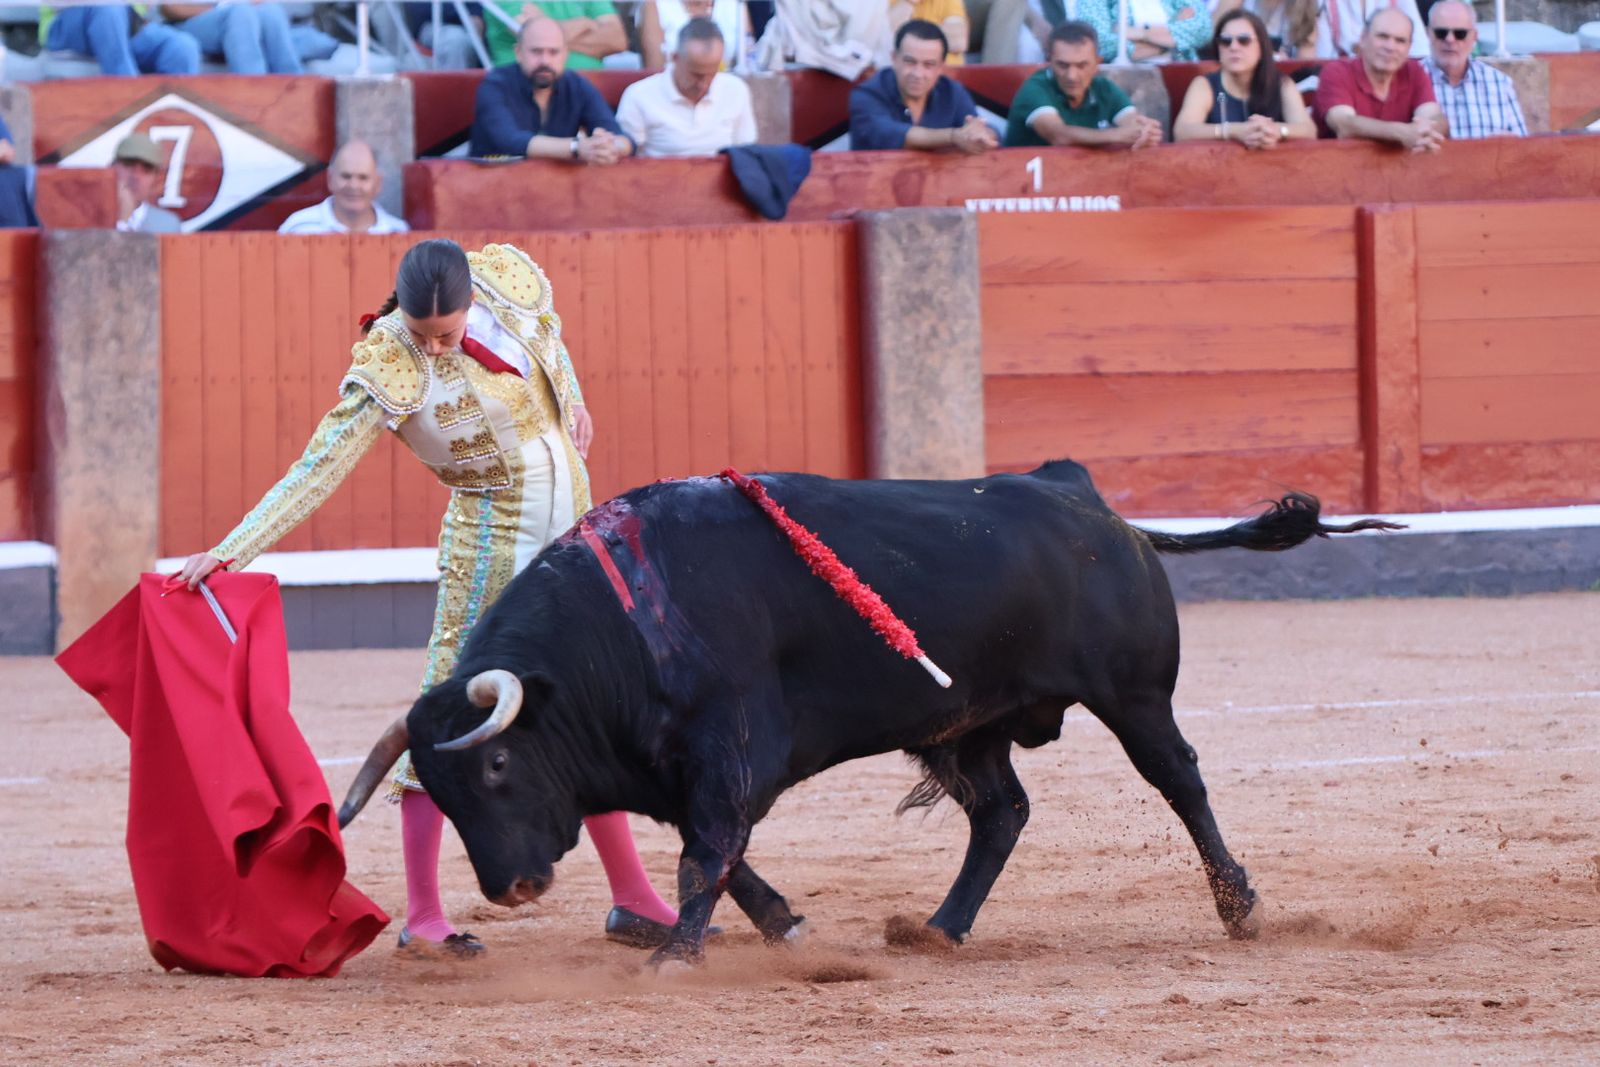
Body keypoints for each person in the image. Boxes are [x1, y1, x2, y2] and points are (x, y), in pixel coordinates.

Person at [175, 239, 682, 959]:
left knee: (586, 712)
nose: (438, 348)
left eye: (447, 332)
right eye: (424, 335)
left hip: (571, 537)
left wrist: (573, 401)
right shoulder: (391, 357)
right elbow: (319, 466)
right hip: (490, 547)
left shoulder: (506, 285)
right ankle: (423, 912)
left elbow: (549, 336)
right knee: (444, 714)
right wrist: (234, 548)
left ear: (473, 296)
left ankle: (633, 896)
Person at [470, 16, 634, 162]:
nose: (545, 61)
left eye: (553, 52)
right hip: (492, 184)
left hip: (557, 188)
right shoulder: (495, 84)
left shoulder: (577, 85)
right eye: (536, 51)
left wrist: (611, 147)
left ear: (565, 54)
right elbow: (509, 140)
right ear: (518, 52)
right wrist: (576, 147)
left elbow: (622, 138)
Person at [1002, 21, 1163, 149]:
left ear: (1097, 64)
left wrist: (1144, 132)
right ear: (1049, 60)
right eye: (1063, 65)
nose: (1072, 76)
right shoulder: (1034, 88)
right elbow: (1058, 135)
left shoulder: (1104, 88)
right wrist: (1116, 135)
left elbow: (1132, 122)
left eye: (1081, 66)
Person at [617, 18, 757, 158]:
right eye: (696, 75)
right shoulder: (638, 95)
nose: (703, 84)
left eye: (712, 73)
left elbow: (745, 152)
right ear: (675, 58)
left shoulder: (736, 90)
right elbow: (626, 156)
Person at [849, 19, 997, 153]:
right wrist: (954, 136)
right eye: (910, 61)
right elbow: (894, 136)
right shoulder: (866, 94)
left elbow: (983, 132)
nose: (918, 74)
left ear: (941, 67)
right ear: (894, 58)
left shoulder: (952, 91)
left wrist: (982, 135)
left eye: (929, 65)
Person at [1172, 11, 1316, 147]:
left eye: (1244, 40)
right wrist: (1233, 131)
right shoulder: (1205, 85)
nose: (1234, 47)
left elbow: (1309, 131)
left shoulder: (1282, 84)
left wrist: (1276, 130)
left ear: (1261, 46)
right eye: (1225, 41)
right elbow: (1182, 131)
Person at [1313, 8, 1444, 149]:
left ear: (1409, 48)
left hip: (1402, 169)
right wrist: (1400, 133)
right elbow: (1344, 124)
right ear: (1363, 39)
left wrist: (1426, 131)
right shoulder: (1337, 72)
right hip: (1337, 167)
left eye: (1400, 41)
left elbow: (1433, 116)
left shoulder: (1414, 71)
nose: (1390, 47)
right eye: (1382, 37)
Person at [1420, 0, 1527, 139]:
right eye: (1441, 33)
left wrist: (1507, 144)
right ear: (1428, 33)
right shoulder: (1409, 80)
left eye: (1460, 34)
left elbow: (1524, 148)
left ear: (1474, 37)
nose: (1450, 39)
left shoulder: (1499, 83)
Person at [278, 142, 411, 235]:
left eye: (363, 178)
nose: (354, 186)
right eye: (346, 176)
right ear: (330, 179)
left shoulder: (399, 232)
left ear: (378, 183)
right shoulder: (297, 227)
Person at [39, 4, 201, 76]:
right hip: (65, 24)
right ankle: (132, 102)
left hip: (129, 22)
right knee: (108, 8)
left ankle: (172, 118)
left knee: (182, 47)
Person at [163, 1, 305, 75]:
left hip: (244, 16)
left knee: (271, 11)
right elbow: (170, 8)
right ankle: (254, 91)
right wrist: (222, 9)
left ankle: (294, 88)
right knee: (240, 14)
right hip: (190, 22)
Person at [484, 0, 627, 70]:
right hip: (526, 92)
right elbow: (537, 35)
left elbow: (617, 41)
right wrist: (585, 23)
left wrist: (548, 31)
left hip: (589, 94)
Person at [1077, 0, 1211, 63]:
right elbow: (1099, 44)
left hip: (1178, 74)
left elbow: (1203, 28)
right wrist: (1170, 42)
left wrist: (1141, 33)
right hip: (1124, 82)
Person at [638, 0, 752, 71]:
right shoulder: (654, 4)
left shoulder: (735, 3)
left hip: (726, 91)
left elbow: (750, 58)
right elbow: (654, 70)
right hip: (673, 94)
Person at [113, 133, 183, 234]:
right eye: (129, 164)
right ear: (112, 168)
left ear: (155, 178)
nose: (136, 176)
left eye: (146, 169)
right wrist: (122, 222)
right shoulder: (90, 218)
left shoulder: (168, 225)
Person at [1316, 0, 1428, 58]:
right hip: (1344, 75)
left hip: (1393, 73)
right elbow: (1323, 56)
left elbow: (1420, 49)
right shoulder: (1324, 2)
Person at [1210, 0, 1318, 57]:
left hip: (1282, 82)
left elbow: (1306, 65)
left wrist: (1285, 62)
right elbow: (1209, 36)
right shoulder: (1236, 2)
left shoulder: (1304, 6)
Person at [888, 0, 970, 63]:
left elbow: (958, 42)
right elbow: (890, 38)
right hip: (903, 76)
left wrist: (912, 34)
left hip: (946, 75)